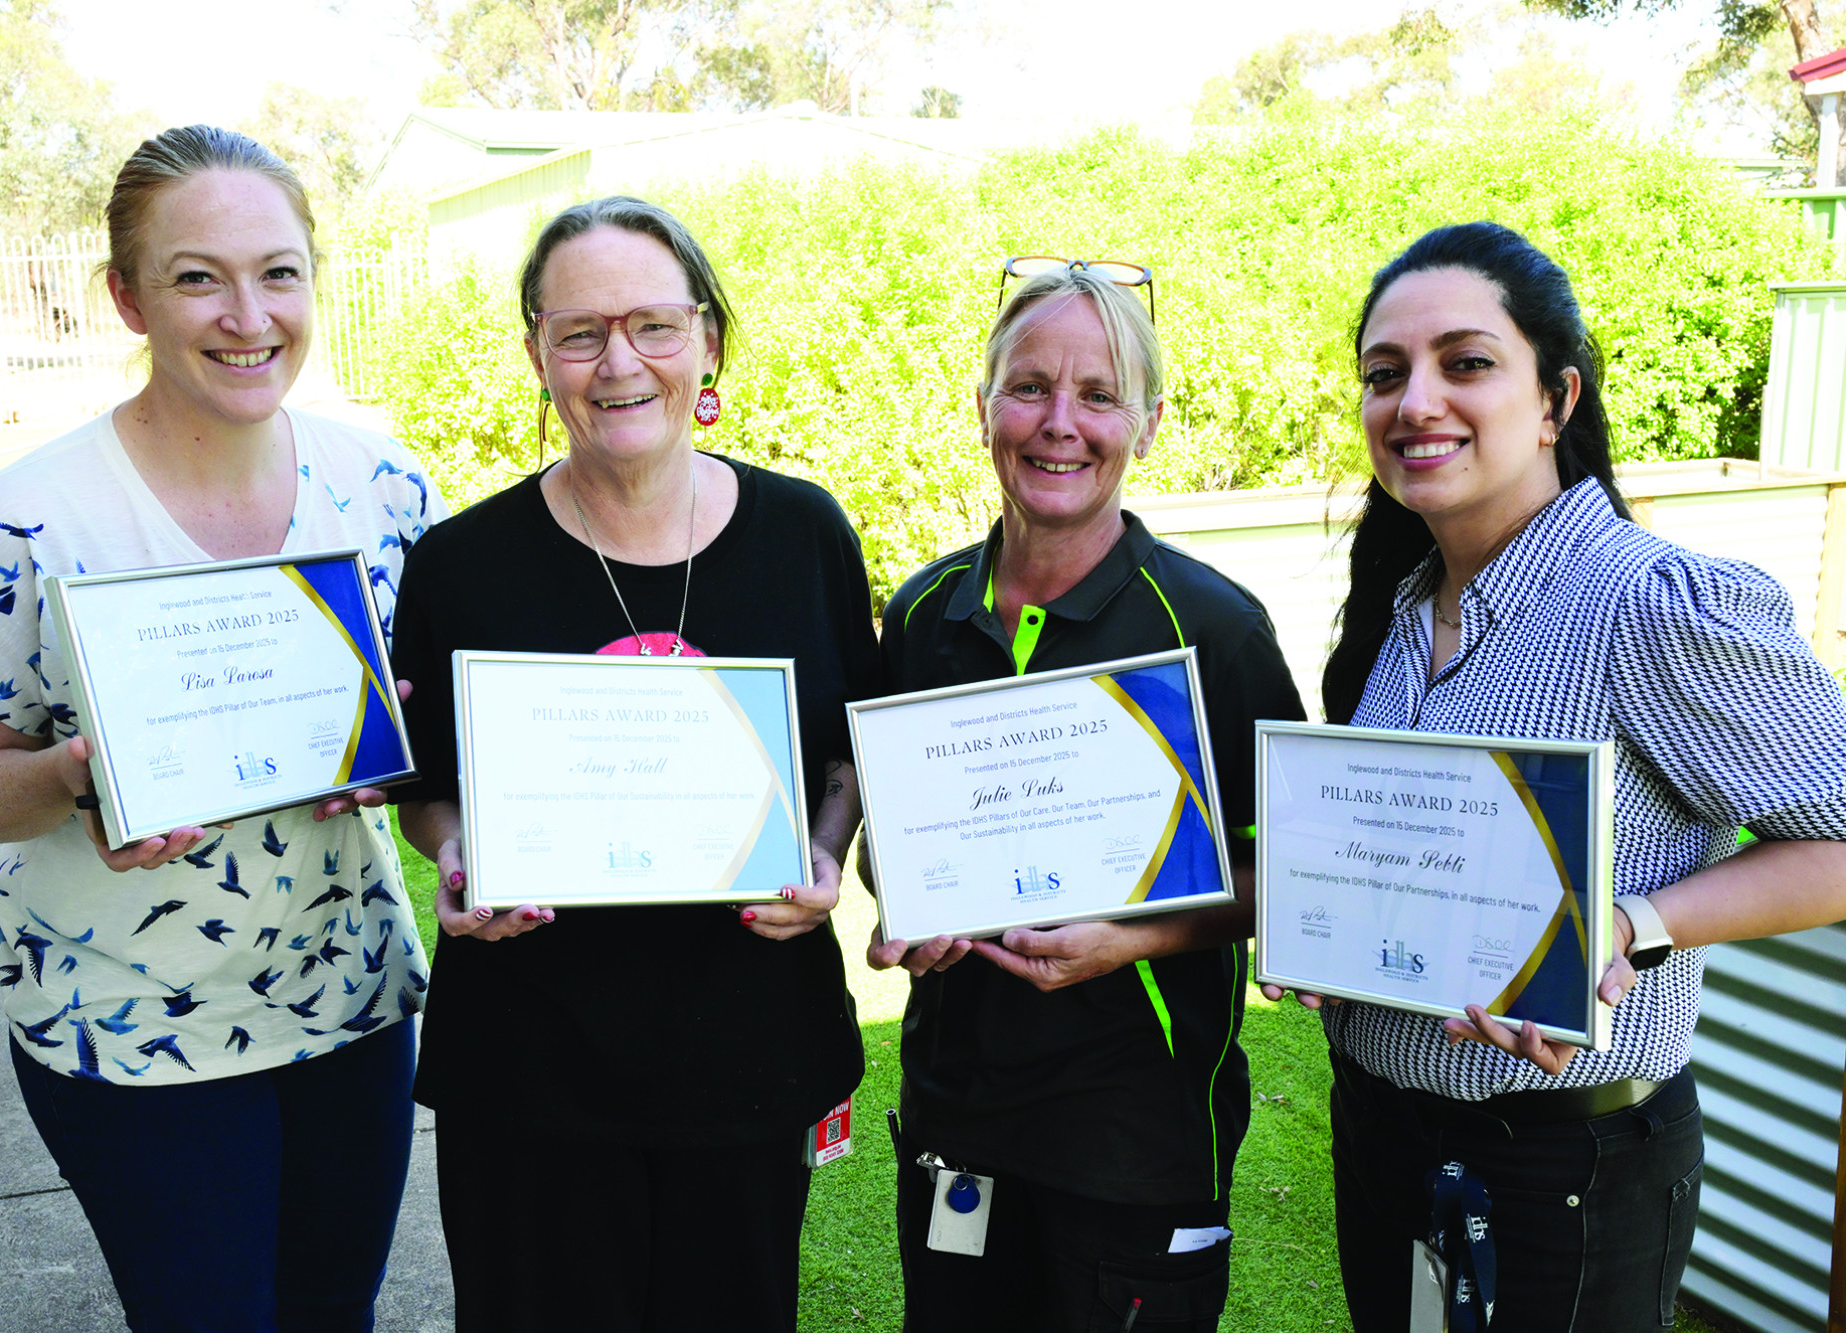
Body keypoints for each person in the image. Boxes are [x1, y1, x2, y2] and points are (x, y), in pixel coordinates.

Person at [0, 125, 445, 1331]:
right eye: (198, 277)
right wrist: (72, 777)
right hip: (128, 1018)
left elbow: (428, 734)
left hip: (346, 998)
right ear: (127, 297)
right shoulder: (23, 522)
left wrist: (400, 757)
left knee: (333, 1313)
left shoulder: (386, 490)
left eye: (279, 272)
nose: (248, 316)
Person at [1289, 220, 1846, 1332]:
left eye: (1466, 362)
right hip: (1382, 1131)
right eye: (1384, 374)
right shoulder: (1406, 608)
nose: (1414, 401)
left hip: (1562, 1170)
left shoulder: (1650, 604)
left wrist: (1627, 926)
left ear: (1555, 400)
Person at [387, 195, 879, 1332]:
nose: (619, 362)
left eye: (654, 324)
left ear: (707, 339)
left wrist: (820, 850)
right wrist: (457, 857)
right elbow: (428, 790)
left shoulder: (805, 533)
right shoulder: (461, 563)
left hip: (747, 1050)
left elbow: (846, 750)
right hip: (529, 1065)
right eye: (580, 332)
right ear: (537, 355)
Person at [865, 262, 1305, 1331]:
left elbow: (1293, 872)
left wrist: (1129, 939)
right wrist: (910, 903)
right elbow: (892, 836)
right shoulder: (922, 612)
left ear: (1146, 425)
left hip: (1134, 1138)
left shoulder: (1212, 628)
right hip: (957, 1120)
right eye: (1029, 387)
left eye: (1099, 394)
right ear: (982, 408)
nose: (1059, 423)